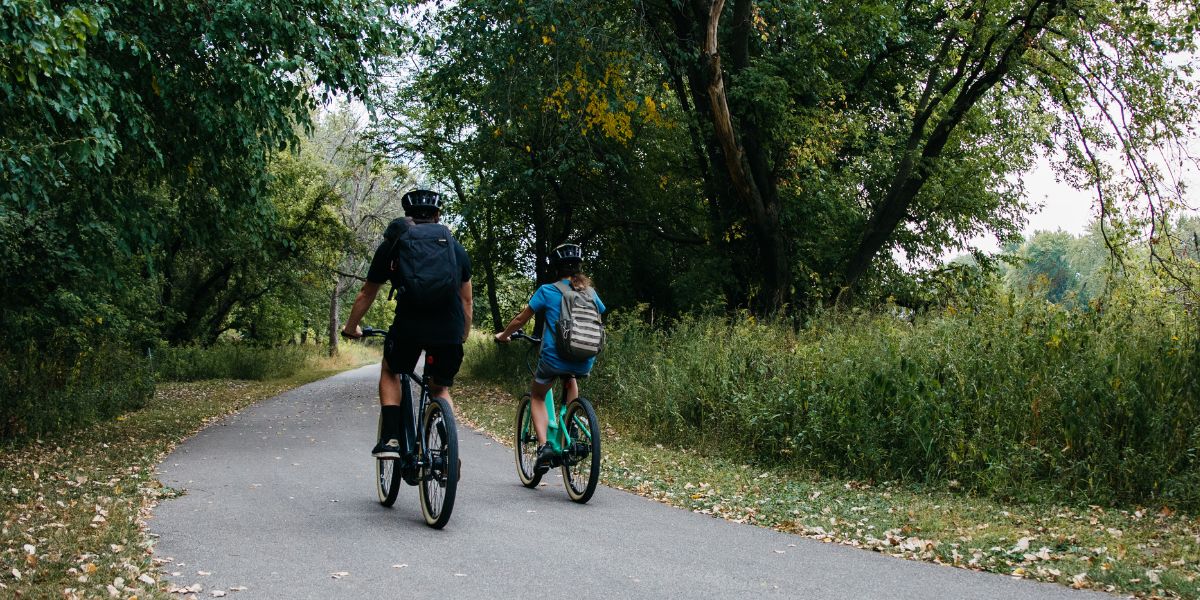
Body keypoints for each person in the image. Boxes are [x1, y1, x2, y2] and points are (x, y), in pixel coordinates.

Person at [341, 189, 472, 467]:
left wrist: (352, 327)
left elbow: (366, 293)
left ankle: (390, 439)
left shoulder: (395, 243)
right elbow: (466, 300)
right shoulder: (453, 246)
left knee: (391, 369)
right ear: (438, 215)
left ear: (407, 215)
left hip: (410, 325)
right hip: (448, 327)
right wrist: (462, 334)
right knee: (440, 388)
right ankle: (448, 450)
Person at [494, 243, 605, 473]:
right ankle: (572, 421)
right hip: (585, 358)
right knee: (570, 377)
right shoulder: (590, 292)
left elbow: (520, 320)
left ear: (555, 268)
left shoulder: (547, 290)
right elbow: (600, 312)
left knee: (536, 395)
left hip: (554, 358)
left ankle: (544, 447)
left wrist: (504, 335)